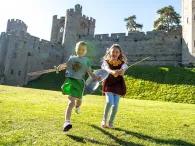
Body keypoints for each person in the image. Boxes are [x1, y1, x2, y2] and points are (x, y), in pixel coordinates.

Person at [60, 41, 100, 132]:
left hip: (79, 84)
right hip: (70, 81)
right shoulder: (72, 58)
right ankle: (67, 122)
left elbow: (90, 72)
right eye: (79, 49)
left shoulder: (86, 61)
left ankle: (78, 107)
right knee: (71, 102)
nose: (80, 51)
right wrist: (60, 67)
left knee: (78, 101)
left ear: (85, 51)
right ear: (75, 49)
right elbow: (66, 65)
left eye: (83, 49)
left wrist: (96, 77)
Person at [101, 44, 128, 128]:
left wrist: (121, 71)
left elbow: (124, 68)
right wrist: (113, 72)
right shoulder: (106, 62)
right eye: (113, 51)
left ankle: (110, 123)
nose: (115, 53)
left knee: (115, 106)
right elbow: (106, 68)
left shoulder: (122, 63)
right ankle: (104, 120)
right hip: (108, 84)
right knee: (109, 102)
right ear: (109, 52)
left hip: (118, 85)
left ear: (119, 54)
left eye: (117, 52)